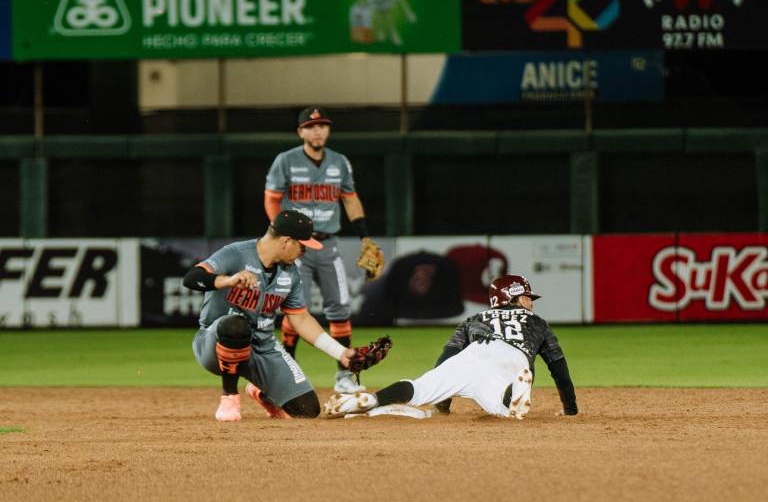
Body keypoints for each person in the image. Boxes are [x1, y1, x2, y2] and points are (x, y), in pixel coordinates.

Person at [183, 210, 365, 421]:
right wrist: (227, 280)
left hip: (263, 347)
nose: (304, 251)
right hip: (214, 343)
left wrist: (341, 353)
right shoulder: (236, 253)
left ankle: (260, 391)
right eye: (302, 244)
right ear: (286, 241)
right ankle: (229, 397)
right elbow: (191, 278)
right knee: (235, 325)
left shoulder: (291, 272)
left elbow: (301, 319)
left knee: (306, 410)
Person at [325, 274, 578, 419]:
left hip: (473, 354)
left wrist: (442, 401)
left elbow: (448, 356)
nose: (530, 302)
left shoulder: (475, 319)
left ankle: (372, 398)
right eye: (527, 297)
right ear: (517, 297)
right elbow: (559, 368)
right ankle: (515, 391)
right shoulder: (537, 321)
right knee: (502, 409)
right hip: (513, 359)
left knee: (419, 387)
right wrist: (570, 409)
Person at [264, 106, 383, 393]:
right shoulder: (286, 161)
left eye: (322, 126)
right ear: (301, 131)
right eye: (311, 126)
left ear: (328, 130)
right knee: (295, 310)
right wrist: (279, 232)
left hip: (329, 244)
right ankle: (286, 373)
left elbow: (351, 200)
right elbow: (271, 199)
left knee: (340, 308)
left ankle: (344, 376)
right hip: (297, 247)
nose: (317, 131)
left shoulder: (339, 162)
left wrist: (365, 238)